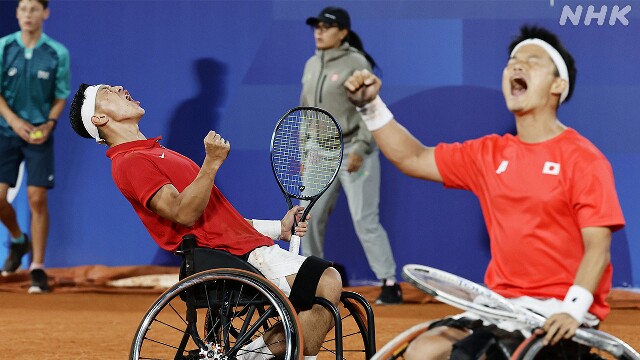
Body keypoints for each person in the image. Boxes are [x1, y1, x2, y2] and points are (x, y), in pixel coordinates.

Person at [344, 25, 625, 358]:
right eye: (512, 61)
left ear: (558, 85)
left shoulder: (584, 159)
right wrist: (370, 106)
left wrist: (574, 309)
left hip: (561, 310)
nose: (517, 66)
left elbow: (598, 247)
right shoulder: (490, 154)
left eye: (532, 60)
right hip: (503, 306)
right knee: (423, 350)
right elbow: (413, 157)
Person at [68, 83, 342, 360]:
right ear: (99, 118)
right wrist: (210, 164)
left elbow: (217, 220)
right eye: (107, 92)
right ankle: (248, 357)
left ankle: (248, 355)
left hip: (236, 250)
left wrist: (277, 228)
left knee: (318, 295)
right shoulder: (130, 161)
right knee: (327, 281)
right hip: (231, 257)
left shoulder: (153, 153)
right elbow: (182, 213)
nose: (119, 88)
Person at [301, 6, 402, 305]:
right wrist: (306, 149)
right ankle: (314, 279)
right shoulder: (310, 64)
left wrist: (359, 147)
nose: (319, 31)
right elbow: (305, 110)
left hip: (354, 152)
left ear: (342, 32)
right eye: (316, 26)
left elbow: (367, 106)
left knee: (365, 220)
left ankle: (390, 283)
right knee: (308, 217)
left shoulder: (356, 62)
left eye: (326, 27)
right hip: (319, 154)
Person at [0, 0, 70, 293]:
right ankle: (18, 240)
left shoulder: (57, 53)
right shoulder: (3, 47)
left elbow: (60, 95)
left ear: (45, 13)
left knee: (36, 198)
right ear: (17, 13)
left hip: (41, 133)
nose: (28, 14)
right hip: (7, 131)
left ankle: (37, 267)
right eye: (23, 8)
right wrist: (15, 122)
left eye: (34, 9)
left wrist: (49, 124)